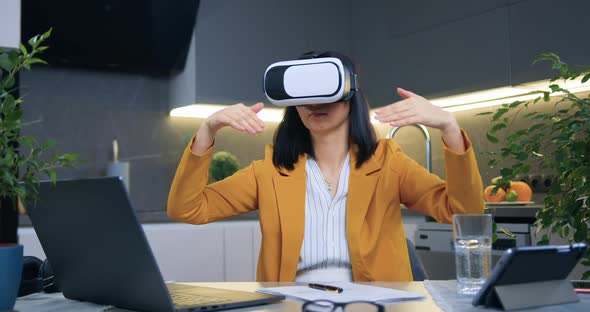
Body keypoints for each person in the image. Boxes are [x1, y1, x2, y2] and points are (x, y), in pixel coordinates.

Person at [167, 51, 485, 282]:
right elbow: (187, 208)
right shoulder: (268, 172)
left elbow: (465, 212)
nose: (316, 104)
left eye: (326, 92)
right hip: (293, 302)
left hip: (376, 303)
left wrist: (449, 128)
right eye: (306, 94)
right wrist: (207, 130)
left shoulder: (388, 162)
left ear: (350, 95)